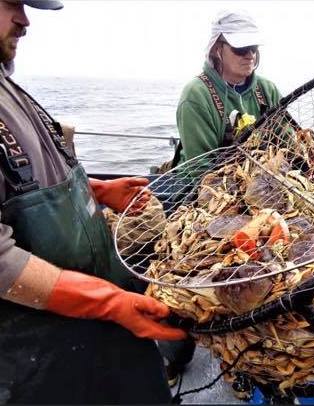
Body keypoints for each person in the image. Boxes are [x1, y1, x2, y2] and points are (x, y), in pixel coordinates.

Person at [0, 1, 187, 403]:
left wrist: (99, 191)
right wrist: (111, 303)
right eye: (10, 2)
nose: (25, 19)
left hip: (102, 328)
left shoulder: (8, 88)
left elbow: (27, 180)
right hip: (43, 359)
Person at [158, 10, 282, 172]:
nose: (250, 55)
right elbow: (200, 169)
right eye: (241, 48)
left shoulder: (267, 89)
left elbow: (286, 139)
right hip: (204, 184)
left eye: (253, 47)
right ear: (217, 48)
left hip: (260, 178)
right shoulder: (196, 94)